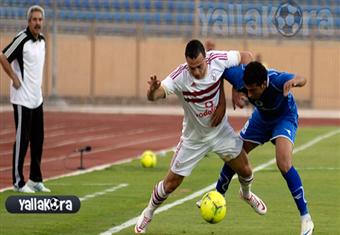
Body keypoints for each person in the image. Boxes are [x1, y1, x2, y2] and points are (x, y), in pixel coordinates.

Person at [134, 40, 267, 234]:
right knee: (171, 184)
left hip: (220, 132)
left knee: (246, 171)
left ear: (206, 58)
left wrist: (235, 88)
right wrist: (152, 90)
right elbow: (154, 96)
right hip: (194, 138)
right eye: (192, 67)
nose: (196, 72)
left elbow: (247, 56)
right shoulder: (180, 76)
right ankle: (148, 213)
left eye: (199, 66)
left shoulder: (218, 60)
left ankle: (246, 194)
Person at [213, 61, 314, 235]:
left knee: (283, 163)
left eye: (252, 90)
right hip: (261, 119)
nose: (249, 94)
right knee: (235, 153)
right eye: (246, 89)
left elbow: (302, 78)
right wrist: (232, 92)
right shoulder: (240, 78)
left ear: (264, 84)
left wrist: (295, 82)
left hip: (284, 118)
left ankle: (306, 218)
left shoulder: (277, 80)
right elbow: (220, 69)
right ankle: (219, 196)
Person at [0, 5, 50, 193]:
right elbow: (3, 57)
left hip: (37, 98)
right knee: (23, 139)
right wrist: (13, 78)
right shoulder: (21, 39)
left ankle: (35, 179)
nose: (37, 23)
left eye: (40, 20)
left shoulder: (42, 41)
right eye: (34, 20)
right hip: (22, 99)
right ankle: (18, 181)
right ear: (28, 22)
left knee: (38, 139)